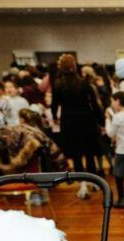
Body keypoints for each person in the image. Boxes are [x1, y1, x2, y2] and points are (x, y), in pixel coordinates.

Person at [51, 53, 103, 198]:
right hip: (86, 119)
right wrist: (101, 121)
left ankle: (82, 185)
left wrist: (55, 117)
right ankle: (94, 182)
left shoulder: (58, 84)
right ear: (74, 66)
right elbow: (94, 104)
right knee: (90, 153)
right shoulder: (84, 83)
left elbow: (54, 104)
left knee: (76, 155)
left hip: (69, 120)